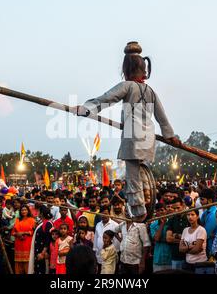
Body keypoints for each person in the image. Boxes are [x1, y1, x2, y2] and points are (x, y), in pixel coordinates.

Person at [75, 41, 179, 222]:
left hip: (133, 136)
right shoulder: (151, 91)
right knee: (141, 172)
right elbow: (162, 118)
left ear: (127, 69)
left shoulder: (128, 86)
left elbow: (107, 98)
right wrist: (170, 136)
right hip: (149, 137)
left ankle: (139, 211)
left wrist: (87, 108)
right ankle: (147, 201)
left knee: (132, 176)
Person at [114, 210, 151, 274]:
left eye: (129, 211)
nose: (127, 213)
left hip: (135, 262)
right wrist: (121, 241)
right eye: (126, 211)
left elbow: (146, 244)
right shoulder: (123, 224)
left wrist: (142, 262)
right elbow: (115, 231)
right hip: (123, 260)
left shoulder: (140, 225)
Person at [179, 209, 210, 274]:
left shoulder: (201, 230)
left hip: (200, 264)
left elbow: (197, 249)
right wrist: (190, 247)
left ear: (197, 216)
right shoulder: (185, 230)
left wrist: (186, 249)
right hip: (188, 263)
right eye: (188, 215)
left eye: (192, 214)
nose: (190, 217)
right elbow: (180, 249)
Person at [93, 206, 120, 272]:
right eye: (102, 214)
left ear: (109, 213)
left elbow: (117, 242)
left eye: (105, 213)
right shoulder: (98, 225)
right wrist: (95, 250)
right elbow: (96, 238)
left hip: (110, 257)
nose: (104, 216)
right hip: (100, 255)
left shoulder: (115, 225)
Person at [28, 205, 53, 274]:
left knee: (43, 270)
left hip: (42, 254)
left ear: (42, 213)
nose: (37, 212)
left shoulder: (48, 224)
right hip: (38, 251)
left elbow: (48, 239)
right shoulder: (42, 223)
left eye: (38, 211)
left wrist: (43, 253)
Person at [166, 197, 190, 270]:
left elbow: (193, 239)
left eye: (178, 208)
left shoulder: (190, 217)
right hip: (176, 257)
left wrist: (176, 235)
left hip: (189, 257)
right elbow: (168, 239)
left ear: (183, 205)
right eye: (174, 208)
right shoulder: (171, 220)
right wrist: (185, 240)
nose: (176, 210)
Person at [12, 204, 35, 274]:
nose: (23, 211)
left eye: (25, 210)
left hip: (27, 244)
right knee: (18, 266)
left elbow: (33, 231)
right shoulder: (17, 220)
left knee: (28, 264)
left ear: (28, 211)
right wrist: (18, 234)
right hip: (19, 244)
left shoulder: (32, 220)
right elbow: (13, 232)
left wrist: (24, 233)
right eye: (22, 210)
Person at [149, 203, 172, 272]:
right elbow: (156, 238)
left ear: (166, 211)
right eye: (158, 211)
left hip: (170, 257)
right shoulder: (153, 225)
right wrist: (162, 224)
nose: (160, 212)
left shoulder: (171, 222)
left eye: (162, 210)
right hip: (158, 258)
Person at [199, 188, 217, 256]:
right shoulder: (206, 212)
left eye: (202, 199)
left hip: (212, 247)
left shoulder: (214, 214)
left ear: (210, 200)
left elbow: (205, 233)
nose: (200, 202)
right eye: (200, 199)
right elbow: (200, 226)